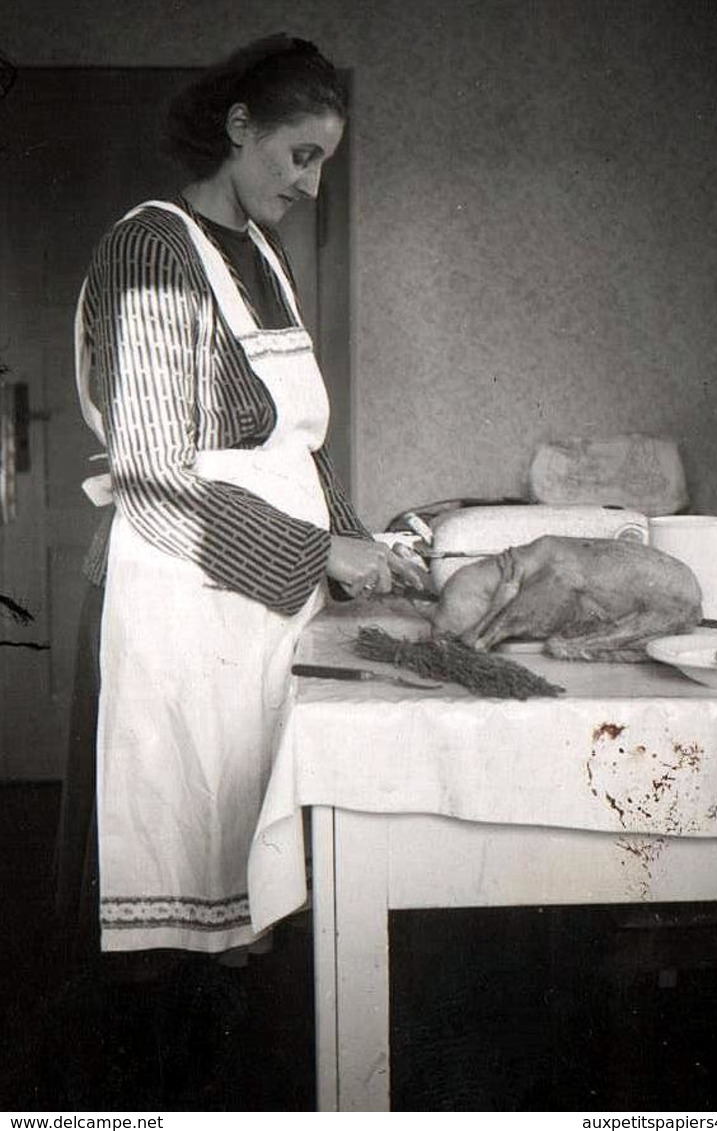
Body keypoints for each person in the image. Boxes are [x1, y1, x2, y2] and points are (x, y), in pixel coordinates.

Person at [60, 34, 423, 958]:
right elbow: (152, 479)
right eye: (302, 155)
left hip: (262, 613)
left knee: (255, 892)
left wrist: (362, 547)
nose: (312, 184)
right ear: (237, 127)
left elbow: (296, 448)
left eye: (323, 164)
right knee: (178, 912)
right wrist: (318, 552)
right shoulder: (148, 250)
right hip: (180, 609)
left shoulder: (264, 254)